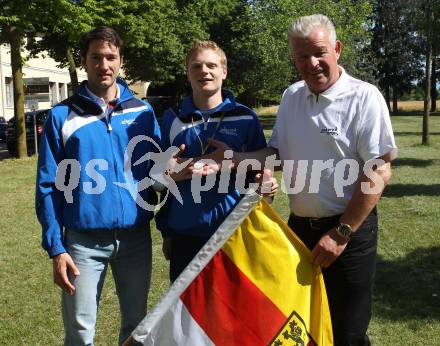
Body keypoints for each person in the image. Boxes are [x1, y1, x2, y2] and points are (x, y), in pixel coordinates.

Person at [205, 14, 397, 346]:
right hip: (298, 230)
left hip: (347, 233)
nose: (312, 63)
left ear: (336, 49)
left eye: (319, 52)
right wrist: (234, 160)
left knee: (346, 333)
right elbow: (278, 154)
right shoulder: (291, 96)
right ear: (293, 59)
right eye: (301, 56)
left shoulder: (364, 98)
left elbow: (378, 170)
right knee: (301, 325)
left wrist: (341, 234)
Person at [35, 27, 161, 346]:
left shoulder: (142, 113)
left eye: (110, 57)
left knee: (137, 326)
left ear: (120, 62)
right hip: (82, 243)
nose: (103, 64)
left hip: (135, 239)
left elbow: (160, 174)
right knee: (80, 330)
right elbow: (48, 186)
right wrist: (56, 248)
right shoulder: (62, 116)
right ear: (84, 62)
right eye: (96, 57)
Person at [156, 40, 277, 282]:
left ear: (224, 71)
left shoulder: (245, 117)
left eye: (211, 65)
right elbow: (158, 178)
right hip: (185, 236)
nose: (204, 71)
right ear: (187, 73)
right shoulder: (171, 119)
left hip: (234, 233)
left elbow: (263, 172)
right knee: (188, 318)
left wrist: (266, 186)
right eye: (196, 66)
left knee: (232, 316)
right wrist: (167, 233)